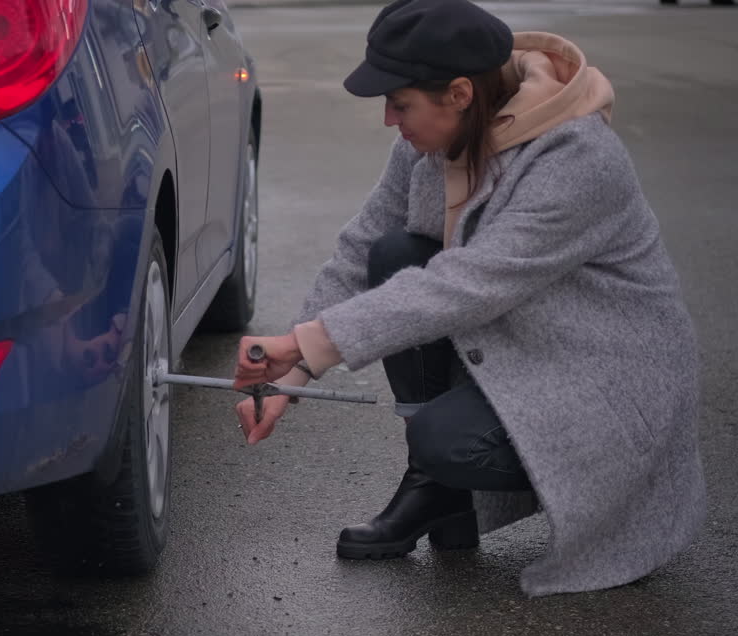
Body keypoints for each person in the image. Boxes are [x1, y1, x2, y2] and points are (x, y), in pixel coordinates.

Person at [231, 0, 705, 596]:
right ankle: (437, 492)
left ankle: (448, 472)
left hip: (604, 380)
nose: (388, 120)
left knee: (445, 438)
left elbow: (470, 284)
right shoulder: (429, 142)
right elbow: (362, 246)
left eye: (399, 103)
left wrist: (314, 345)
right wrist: (291, 369)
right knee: (394, 254)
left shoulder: (577, 159)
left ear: (459, 93)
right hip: (523, 342)